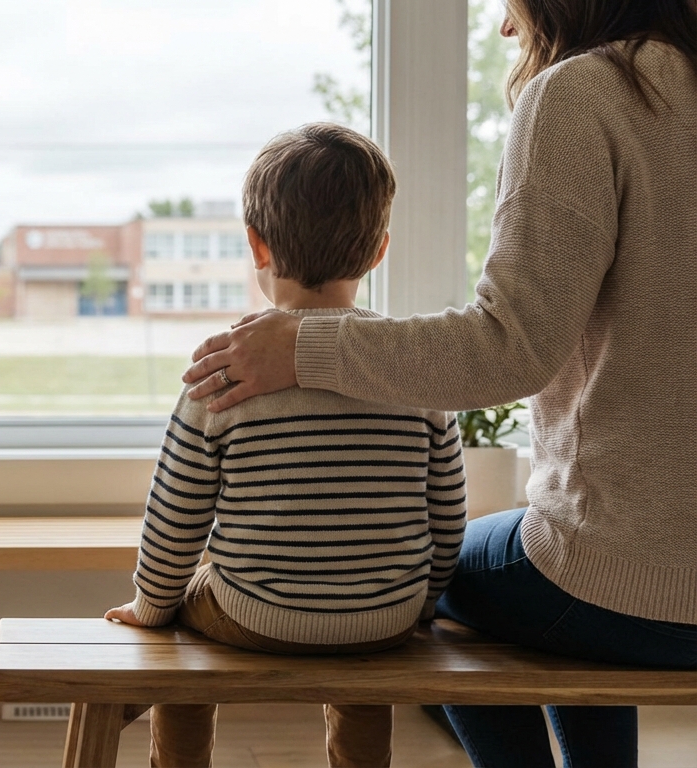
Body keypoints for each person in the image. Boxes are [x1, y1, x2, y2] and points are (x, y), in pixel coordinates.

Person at [181, 2, 697, 766]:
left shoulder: (583, 93)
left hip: (637, 587)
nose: (505, 27)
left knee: (448, 581)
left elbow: (508, 350)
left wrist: (303, 347)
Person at [104, 123, 467, 768]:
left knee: (181, 614)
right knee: (363, 663)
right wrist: (422, 602)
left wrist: (151, 605)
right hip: (386, 616)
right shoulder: (411, 367)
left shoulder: (227, 369)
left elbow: (176, 514)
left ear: (256, 245)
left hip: (257, 613)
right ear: (379, 250)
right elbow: (447, 512)